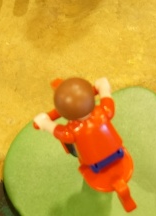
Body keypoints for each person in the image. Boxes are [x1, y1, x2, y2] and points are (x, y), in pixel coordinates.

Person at [33, 77, 136, 212]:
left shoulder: (72, 130)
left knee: (76, 150)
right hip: (117, 152)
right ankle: (124, 197)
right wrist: (103, 87)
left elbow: (60, 132)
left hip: (95, 165)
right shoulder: (104, 112)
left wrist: (45, 123)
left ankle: (112, 196)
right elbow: (107, 100)